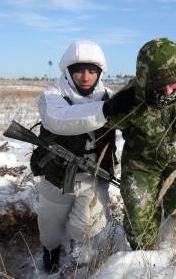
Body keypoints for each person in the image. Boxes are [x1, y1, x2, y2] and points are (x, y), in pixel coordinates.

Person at [102, 37, 176, 250]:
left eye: (174, 84)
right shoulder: (129, 100)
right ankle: (146, 261)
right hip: (143, 163)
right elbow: (106, 123)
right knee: (138, 220)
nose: (168, 92)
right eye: (160, 86)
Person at [31, 40, 116, 273]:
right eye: (78, 70)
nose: (85, 77)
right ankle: (51, 252)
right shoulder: (52, 95)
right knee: (50, 225)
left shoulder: (109, 95)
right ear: (68, 72)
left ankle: (80, 250)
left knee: (88, 226)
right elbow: (60, 120)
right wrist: (106, 110)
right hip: (56, 174)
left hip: (94, 174)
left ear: (100, 72)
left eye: (92, 71)